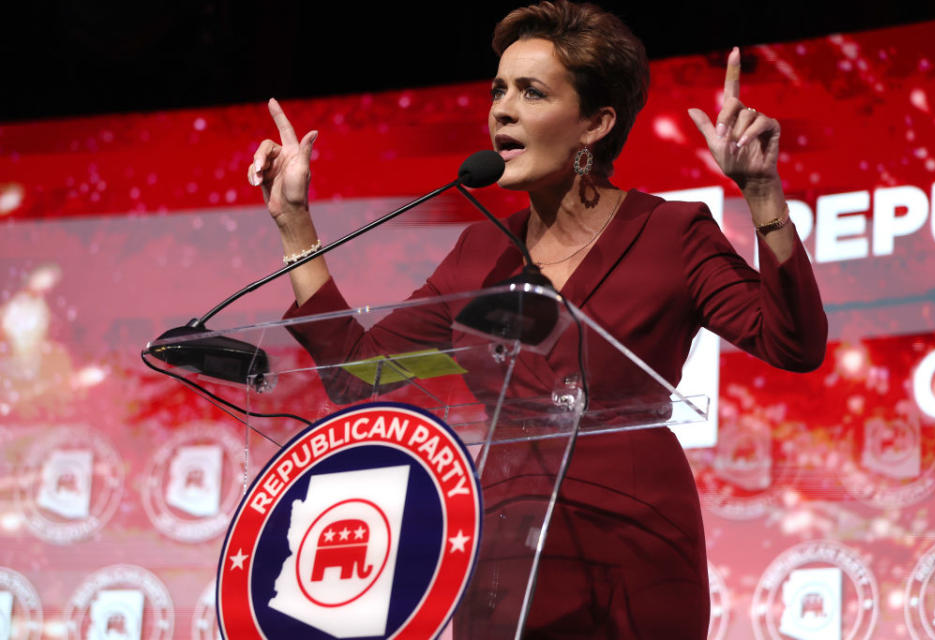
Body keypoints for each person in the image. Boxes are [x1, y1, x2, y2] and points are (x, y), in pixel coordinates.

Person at [247, 1, 827, 637]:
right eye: (498, 89)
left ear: (594, 124)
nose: (501, 109)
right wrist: (294, 223)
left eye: (531, 92)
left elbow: (792, 342)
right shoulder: (478, 254)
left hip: (638, 548)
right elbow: (363, 376)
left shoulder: (670, 233)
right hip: (505, 553)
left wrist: (763, 193)